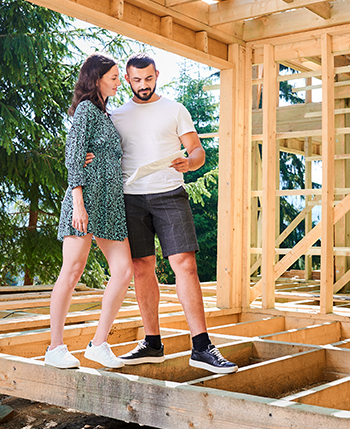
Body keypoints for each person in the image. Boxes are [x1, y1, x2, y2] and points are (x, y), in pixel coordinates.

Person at [109, 53, 237, 374]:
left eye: (149, 79)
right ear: (127, 80)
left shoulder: (175, 109)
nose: (143, 85)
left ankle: (202, 346)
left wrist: (189, 162)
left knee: (185, 265)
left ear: (157, 75)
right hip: (131, 199)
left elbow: (198, 152)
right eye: (137, 80)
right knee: (141, 268)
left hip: (169, 194)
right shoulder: (117, 115)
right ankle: (152, 343)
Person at [44, 53, 132, 370]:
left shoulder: (105, 115)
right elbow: (74, 155)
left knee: (123, 271)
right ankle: (55, 348)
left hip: (110, 203)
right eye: (113, 77)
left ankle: (98, 344)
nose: (118, 82)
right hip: (84, 200)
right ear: (96, 79)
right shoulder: (86, 110)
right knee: (72, 271)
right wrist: (78, 202)